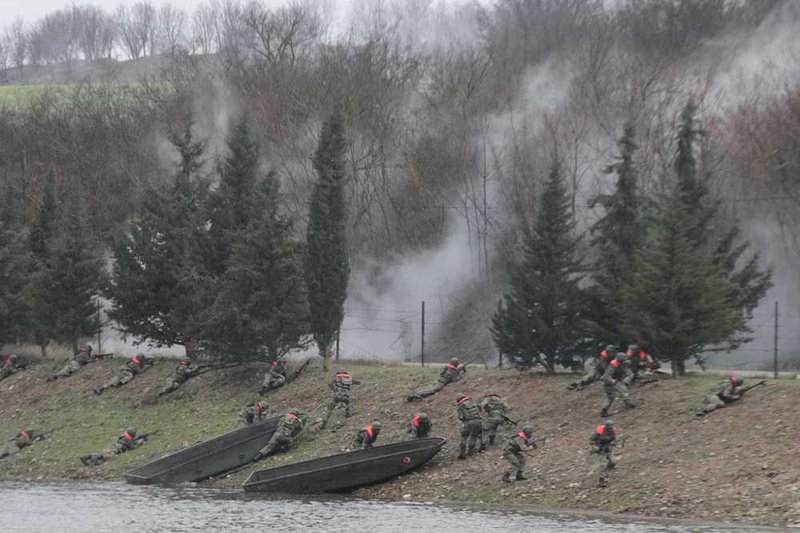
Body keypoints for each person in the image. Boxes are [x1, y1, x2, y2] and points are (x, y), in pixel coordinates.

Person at [80, 427, 148, 466]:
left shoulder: (123, 437)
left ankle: (87, 457)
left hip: (112, 447)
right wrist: (141, 441)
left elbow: (130, 441)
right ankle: (90, 460)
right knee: (103, 458)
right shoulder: (129, 441)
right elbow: (133, 447)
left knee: (102, 454)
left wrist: (138, 439)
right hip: (115, 451)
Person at [600, 353, 639, 417]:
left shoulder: (622, 362)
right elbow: (607, 375)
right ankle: (604, 411)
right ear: (620, 360)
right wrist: (611, 381)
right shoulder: (613, 365)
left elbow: (628, 364)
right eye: (624, 360)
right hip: (609, 381)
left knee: (621, 391)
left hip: (614, 380)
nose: (625, 361)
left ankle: (628, 402)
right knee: (613, 396)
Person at [590, 420, 618, 488]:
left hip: (608, 448)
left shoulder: (612, 431)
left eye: (611, 427)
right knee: (603, 465)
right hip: (601, 449)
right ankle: (601, 480)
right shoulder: (599, 431)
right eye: (609, 427)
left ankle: (608, 469)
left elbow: (614, 440)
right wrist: (595, 446)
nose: (610, 428)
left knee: (613, 462)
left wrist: (613, 443)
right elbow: (591, 439)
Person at [456, 394, 483, 459]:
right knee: (474, 436)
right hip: (478, 421)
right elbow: (480, 408)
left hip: (468, 422)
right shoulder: (473, 401)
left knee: (464, 437)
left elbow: (460, 417)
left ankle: (463, 454)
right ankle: (470, 452)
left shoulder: (461, 405)